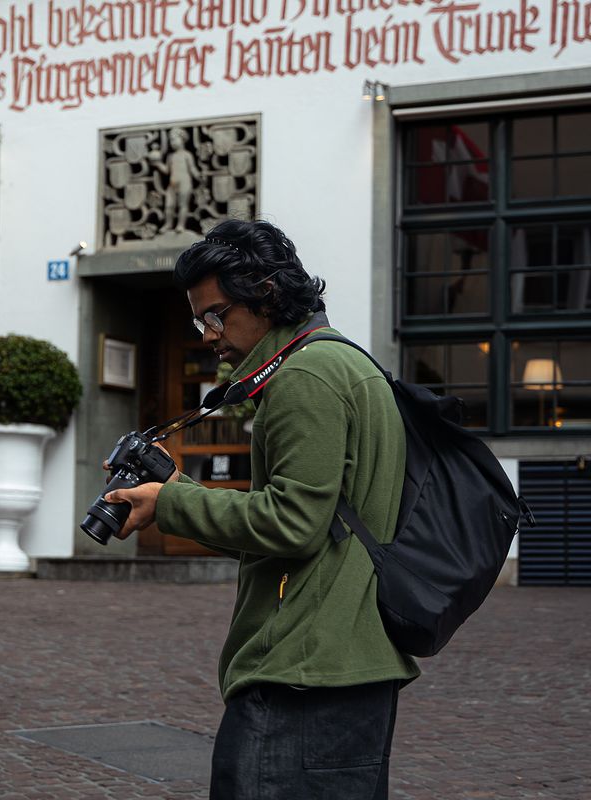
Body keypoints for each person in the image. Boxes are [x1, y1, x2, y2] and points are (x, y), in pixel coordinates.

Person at [105, 218, 419, 799]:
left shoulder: (305, 376)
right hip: (343, 659)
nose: (208, 335)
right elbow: (310, 526)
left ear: (266, 293)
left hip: (304, 668)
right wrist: (172, 496)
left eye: (216, 314)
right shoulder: (342, 361)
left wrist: (171, 501)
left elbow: (294, 526)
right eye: (199, 321)